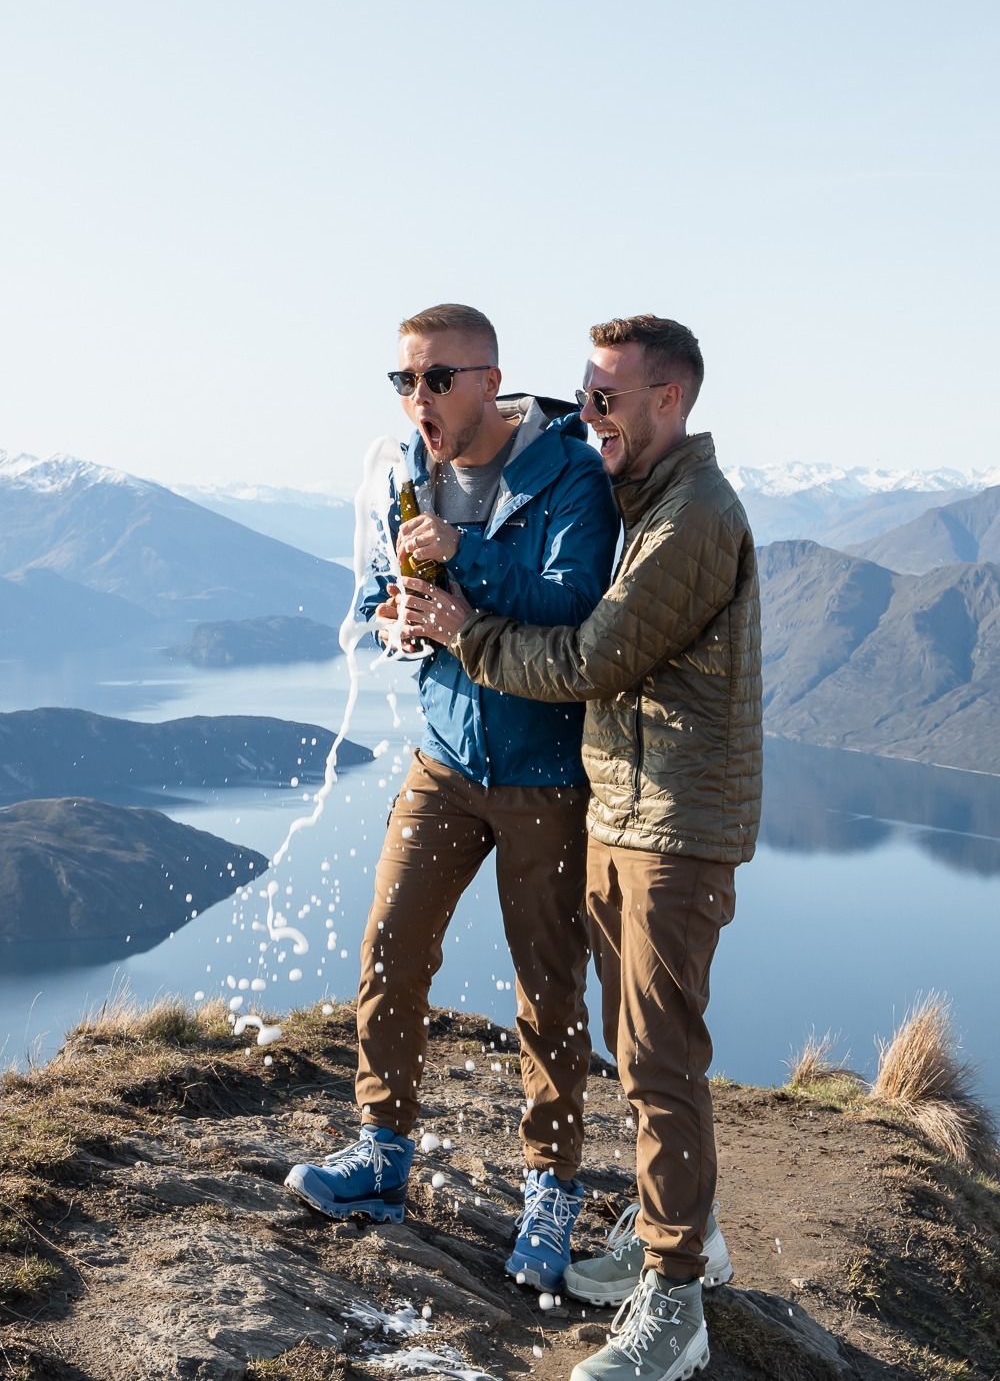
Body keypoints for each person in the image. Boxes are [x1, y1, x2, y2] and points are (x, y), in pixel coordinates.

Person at [395, 313, 760, 1381]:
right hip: (623, 805)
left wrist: (465, 629)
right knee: (637, 1037)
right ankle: (682, 1237)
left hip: (673, 822)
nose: (582, 412)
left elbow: (591, 658)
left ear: (668, 402)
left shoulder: (691, 515)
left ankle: (678, 1300)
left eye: (604, 397)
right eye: (581, 393)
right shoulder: (640, 498)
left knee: (655, 1054)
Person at [283, 302, 623, 1295]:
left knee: (547, 990)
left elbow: (573, 602)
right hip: (443, 757)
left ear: (489, 378)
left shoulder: (568, 472)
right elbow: (368, 594)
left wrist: (460, 560)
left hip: (544, 773)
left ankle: (551, 1193)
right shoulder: (400, 470)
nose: (417, 399)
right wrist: (389, 613)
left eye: (436, 379)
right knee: (390, 945)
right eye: (404, 381)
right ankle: (381, 1153)